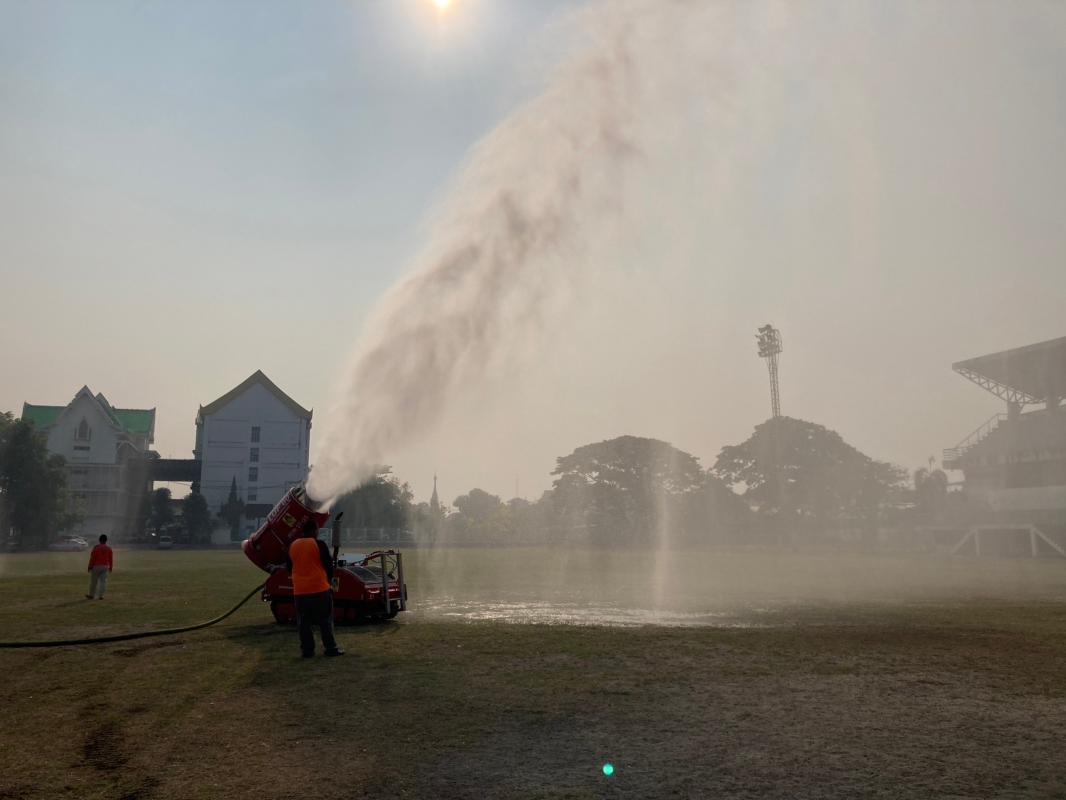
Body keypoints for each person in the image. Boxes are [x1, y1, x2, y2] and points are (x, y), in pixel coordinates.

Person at [284, 520, 344, 658]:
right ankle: (330, 648)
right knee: (325, 620)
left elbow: (289, 568)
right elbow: (329, 566)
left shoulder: (292, 546)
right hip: (319, 589)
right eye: (317, 530)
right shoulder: (319, 544)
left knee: (303, 622)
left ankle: (307, 651)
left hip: (300, 591)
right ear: (314, 531)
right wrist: (330, 584)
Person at [86, 534, 113, 600]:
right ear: (106, 540)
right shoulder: (109, 548)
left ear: (99, 540)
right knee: (103, 582)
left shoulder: (96, 548)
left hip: (96, 566)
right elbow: (111, 559)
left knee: (94, 582)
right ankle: (101, 596)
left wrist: (90, 566)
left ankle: (91, 595)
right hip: (105, 566)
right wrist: (111, 567)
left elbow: (92, 558)